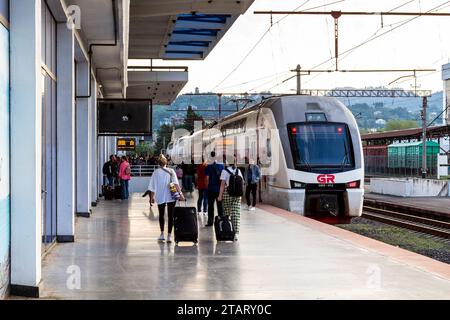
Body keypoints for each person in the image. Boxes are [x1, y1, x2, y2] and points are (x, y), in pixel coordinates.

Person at [148, 155, 185, 243]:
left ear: (158, 163)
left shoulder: (155, 172)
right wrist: (181, 194)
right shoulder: (171, 171)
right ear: (166, 163)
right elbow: (176, 184)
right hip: (171, 196)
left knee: (161, 215)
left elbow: (152, 187)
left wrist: (152, 198)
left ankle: (162, 234)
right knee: (170, 216)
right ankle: (169, 236)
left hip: (160, 196)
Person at [218, 158, 243, 241]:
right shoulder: (238, 171)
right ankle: (235, 233)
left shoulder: (224, 171)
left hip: (227, 194)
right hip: (237, 195)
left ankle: (228, 230)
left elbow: (222, 185)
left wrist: (220, 196)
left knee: (227, 213)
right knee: (236, 213)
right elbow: (242, 183)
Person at [204, 151, 224, 227]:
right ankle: (221, 221)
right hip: (219, 189)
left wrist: (206, 187)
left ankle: (210, 222)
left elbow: (207, 178)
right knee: (220, 206)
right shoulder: (221, 165)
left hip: (211, 189)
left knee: (210, 206)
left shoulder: (208, 166)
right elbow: (223, 178)